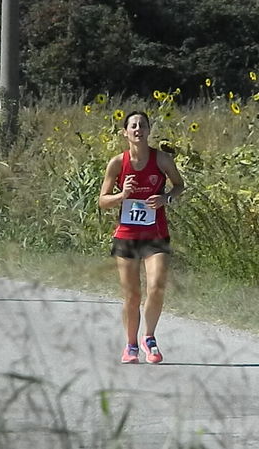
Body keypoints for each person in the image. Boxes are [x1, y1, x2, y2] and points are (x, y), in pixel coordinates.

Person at [98, 111, 185, 364]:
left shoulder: (162, 159)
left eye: (142, 126)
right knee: (132, 295)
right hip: (127, 235)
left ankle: (149, 337)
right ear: (125, 132)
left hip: (156, 234)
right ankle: (131, 345)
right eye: (133, 126)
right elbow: (102, 201)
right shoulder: (117, 163)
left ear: (148, 131)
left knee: (156, 287)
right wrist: (122, 195)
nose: (138, 129)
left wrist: (166, 198)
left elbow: (180, 185)